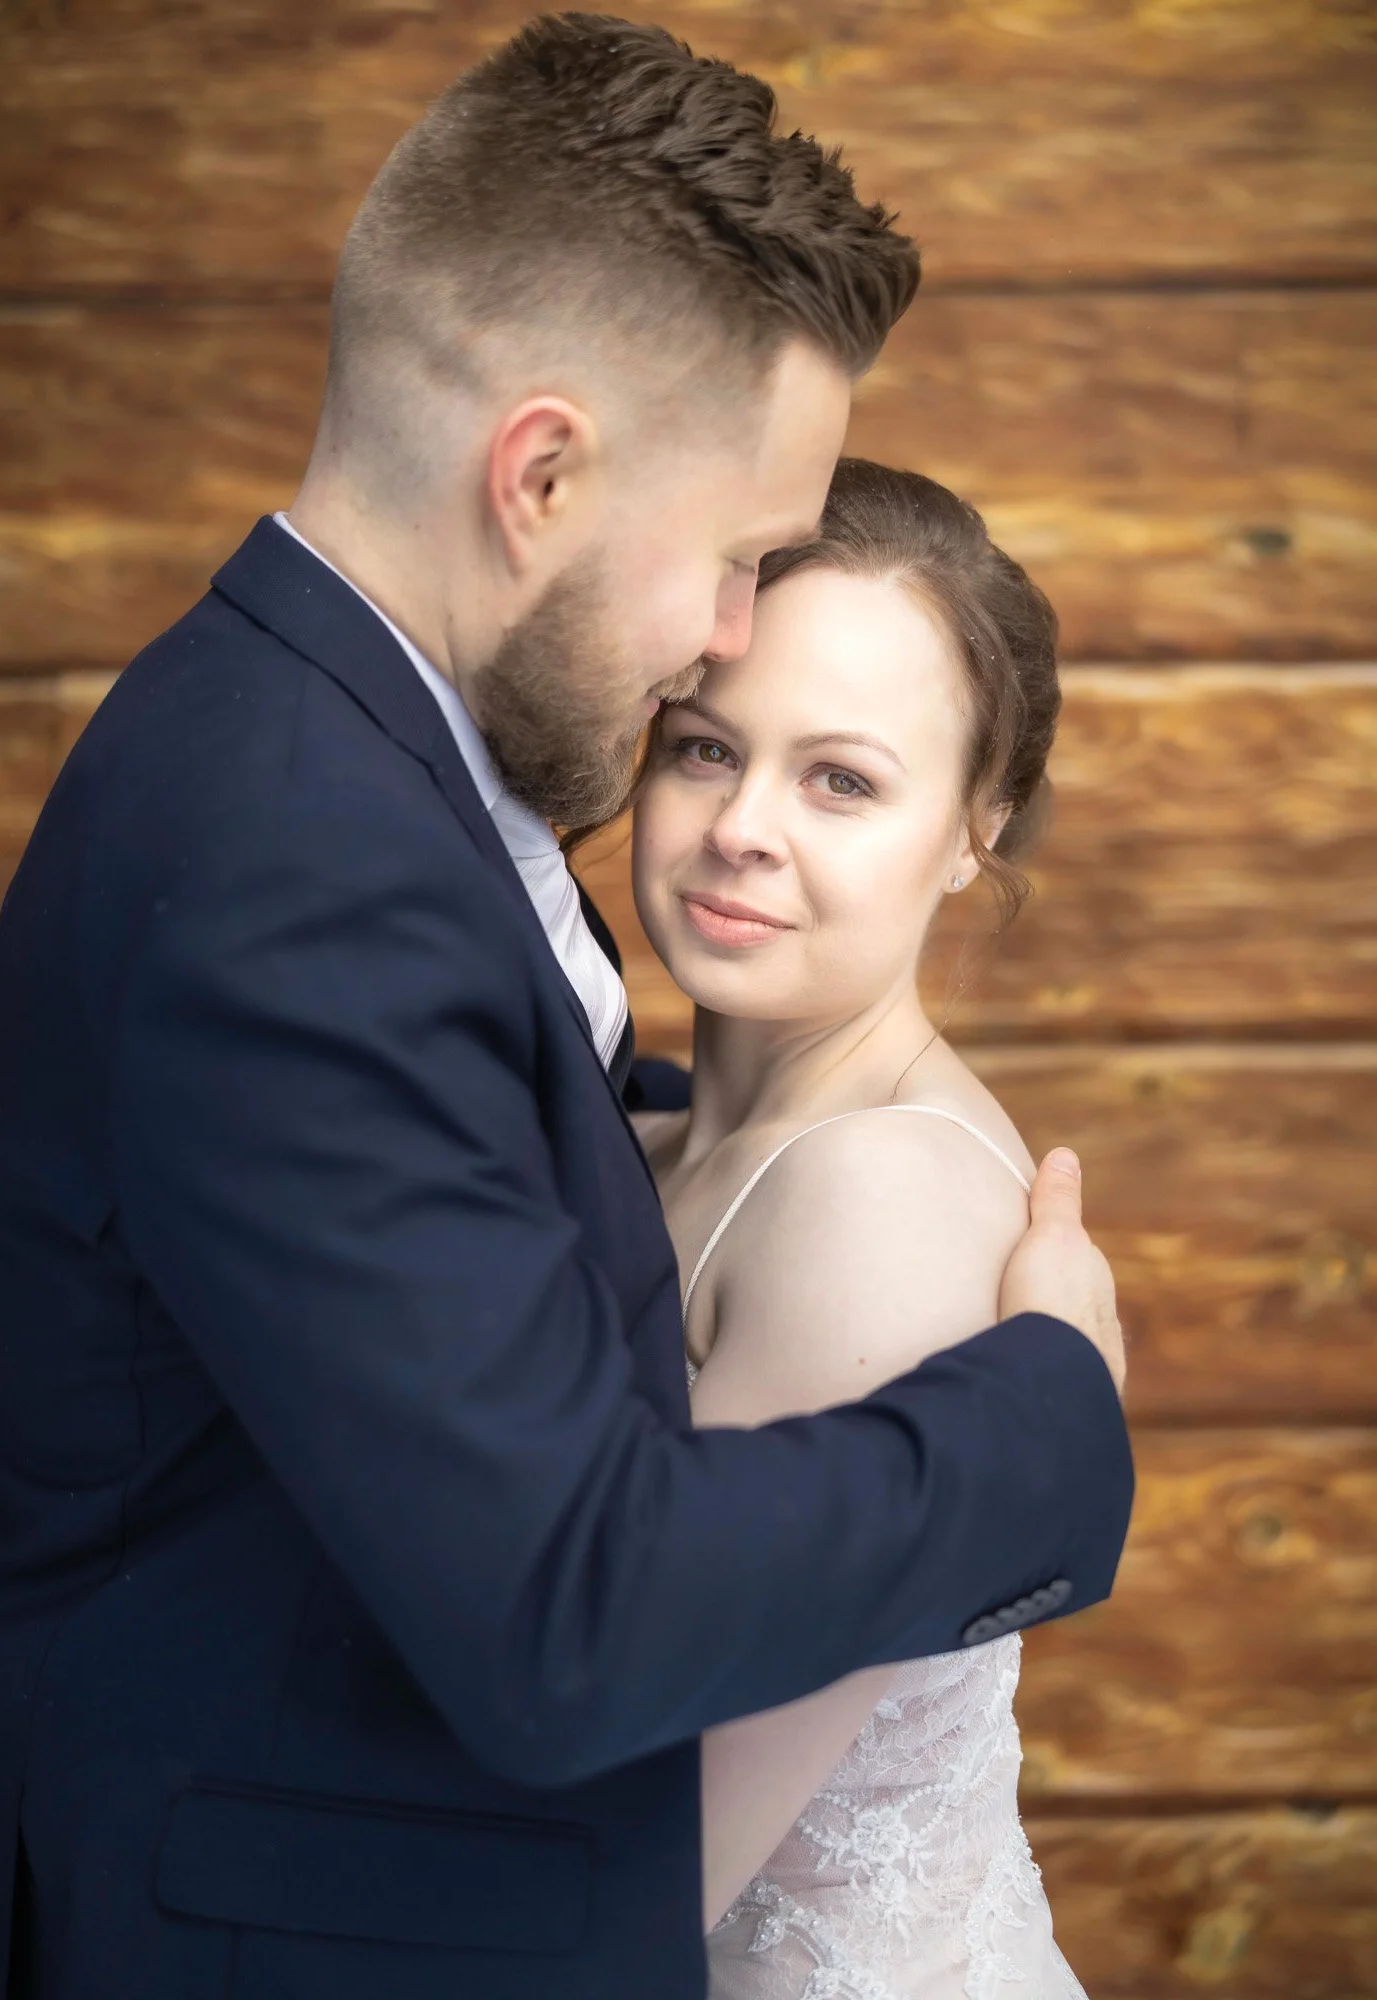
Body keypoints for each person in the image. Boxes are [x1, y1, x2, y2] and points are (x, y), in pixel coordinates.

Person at [0, 18, 1130, 2000]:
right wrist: (1049, 1414)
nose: (723, 625)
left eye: (842, 771)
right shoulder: (301, 851)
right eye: (737, 556)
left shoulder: (310, 754)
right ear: (540, 474)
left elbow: (420, 1173)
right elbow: (566, 1616)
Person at [631, 458, 1090, 1996]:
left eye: (841, 779)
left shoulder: (870, 1205)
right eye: (705, 748)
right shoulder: (653, 1136)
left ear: (975, 828)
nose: (743, 826)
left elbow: (650, 1862)